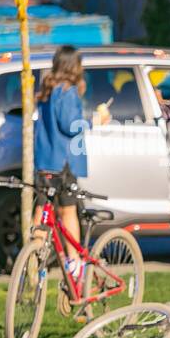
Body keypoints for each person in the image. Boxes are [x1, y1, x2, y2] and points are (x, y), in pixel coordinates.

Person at [33, 45, 110, 283]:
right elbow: (70, 125)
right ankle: (74, 262)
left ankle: (33, 258)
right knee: (68, 211)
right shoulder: (67, 91)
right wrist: (95, 120)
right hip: (63, 161)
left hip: (45, 160)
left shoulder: (46, 89)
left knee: (41, 210)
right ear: (73, 66)